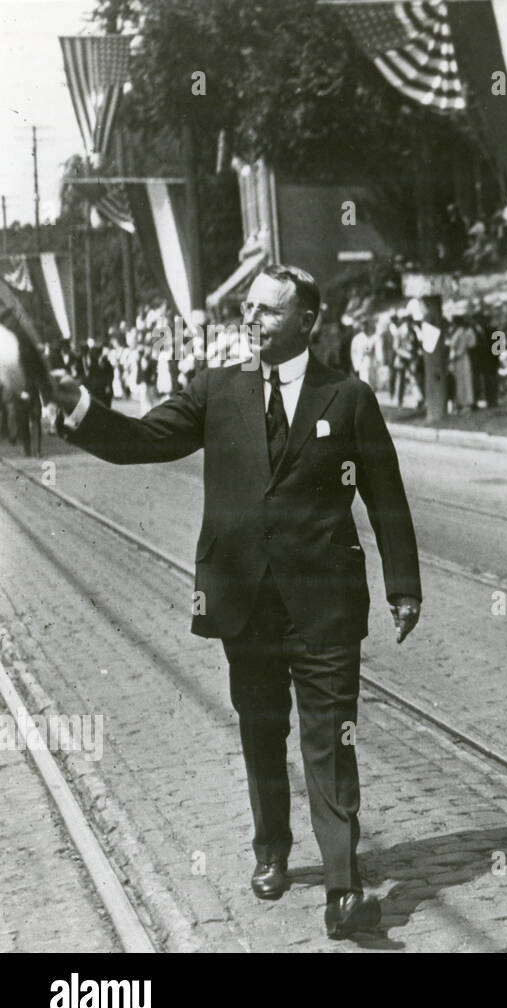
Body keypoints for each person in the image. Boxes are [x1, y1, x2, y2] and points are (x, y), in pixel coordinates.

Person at [42, 264, 422, 939]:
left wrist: (403, 584)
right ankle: (271, 848)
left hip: (325, 600)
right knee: (262, 729)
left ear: (306, 320)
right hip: (245, 598)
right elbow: (144, 441)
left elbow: (385, 493)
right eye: (248, 308)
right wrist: (80, 412)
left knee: (331, 737)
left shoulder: (349, 396)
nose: (251, 320)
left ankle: (343, 885)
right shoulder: (216, 390)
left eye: (267, 311)